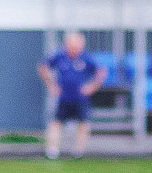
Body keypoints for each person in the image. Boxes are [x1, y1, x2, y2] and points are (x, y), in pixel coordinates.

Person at [37, 31, 105, 159]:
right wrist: (51, 84)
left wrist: (92, 87)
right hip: (64, 97)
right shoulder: (60, 56)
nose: (74, 48)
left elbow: (100, 71)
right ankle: (52, 150)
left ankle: (79, 151)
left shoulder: (86, 58)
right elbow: (43, 66)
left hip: (80, 97)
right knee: (56, 122)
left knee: (83, 123)